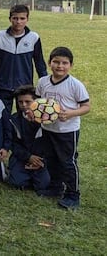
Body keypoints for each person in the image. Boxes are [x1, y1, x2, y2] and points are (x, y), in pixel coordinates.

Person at [36, 47, 90, 209]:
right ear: (49, 63)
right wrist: (34, 114)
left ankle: (73, 195)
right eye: (56, 62)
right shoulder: (43, 82)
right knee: (51, 160)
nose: (60, 66)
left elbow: (86, 106)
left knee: (67, 162)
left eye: (64, 63)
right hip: (48, 129)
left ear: (71, 65)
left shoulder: (75, 85)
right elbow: (38, 104)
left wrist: (71, 113)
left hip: (67, 131)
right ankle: (55, 187)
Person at [0, 4, 47, 111]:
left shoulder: (34, 37)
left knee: (25, 117)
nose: (18, 22)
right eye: (15, 18)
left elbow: (39, 62)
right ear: (10, 19)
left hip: (25, 86)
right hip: (4, 85)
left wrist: (45, 83)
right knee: (2, 116)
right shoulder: (0, 36)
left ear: (27, 19)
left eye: (22, 18)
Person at [7, 85, 50, 193]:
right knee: (17, 182)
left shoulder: (47, 120)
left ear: (36, 101)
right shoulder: (14, 119)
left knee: (44, 184)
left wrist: (41, 160)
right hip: (23, 158)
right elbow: (13, 143)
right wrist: (28, 157)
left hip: (42, 160)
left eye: (28, 101)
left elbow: (52, 144)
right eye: (20, 102)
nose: (24, 105)